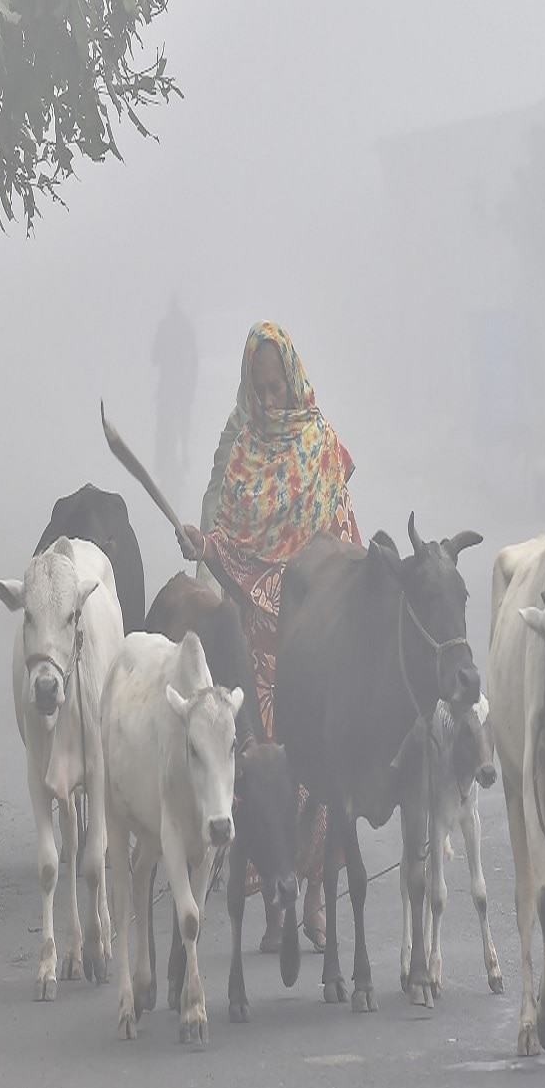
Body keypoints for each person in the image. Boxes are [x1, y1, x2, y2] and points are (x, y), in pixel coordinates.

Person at [178, 321, 361, 952]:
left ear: (294, 378)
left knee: (322, 768)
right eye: (260, 390)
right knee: (265, 772)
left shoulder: (322, 448)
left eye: (278, 385)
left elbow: (342, 544)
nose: (272, 398)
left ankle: (315, 895)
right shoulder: (241, 456)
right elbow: (228, 537)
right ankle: (274, 906)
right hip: (257, 645)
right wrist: (206, 546)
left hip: (314, 638)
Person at [150, 294, 199, 511]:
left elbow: (154, 356)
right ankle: (185, 453)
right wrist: (191, 386)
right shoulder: (186, 326)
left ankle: (162, 461)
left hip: (168, 391)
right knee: (184, 426)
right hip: (183, 391)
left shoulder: (164, 326)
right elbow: (195, 359)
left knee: (163, 430)